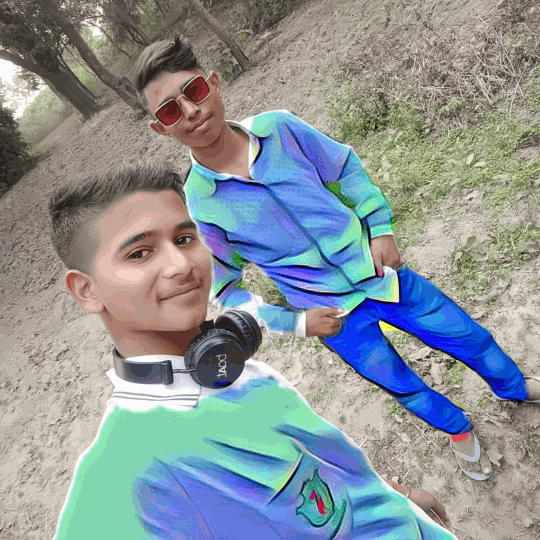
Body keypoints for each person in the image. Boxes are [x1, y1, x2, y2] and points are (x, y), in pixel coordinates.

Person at [133, 36, 540, 483]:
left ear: (213, 84)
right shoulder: (199, 204)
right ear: (161, 128)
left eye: (193, 91)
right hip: (334, 319)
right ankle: (458, 430)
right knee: (398, 381)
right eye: (170, 110)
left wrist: (379, 227)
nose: (190, 111)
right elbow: (226, 288)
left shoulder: (280, 130)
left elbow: (344, 168)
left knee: (464, 334)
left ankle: (514, 386)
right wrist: (296, 323)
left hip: (382, 275)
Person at [49, 162, 456, 539]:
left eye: (184, 238)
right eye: (139, 253)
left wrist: (396, 497)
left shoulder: (227, 365)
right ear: (86, 290)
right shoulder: (130, 466)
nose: (180, 265)